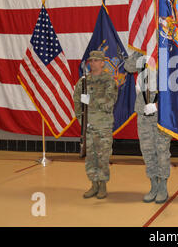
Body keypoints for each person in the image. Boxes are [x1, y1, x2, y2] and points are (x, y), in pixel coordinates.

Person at [124, 51, 172, 204]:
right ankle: (154, 185)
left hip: (162, 113)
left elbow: (175, 90)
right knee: (147, 150)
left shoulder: (169, 52)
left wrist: (159, 105)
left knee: (162, 150)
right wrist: (139, 52)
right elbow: (128, 66)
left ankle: (163, 185)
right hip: (143, 111)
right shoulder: (143, 52)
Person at [73, 50, 118, 199]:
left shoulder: (109, 81)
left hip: (103, 125)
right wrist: (81, 120)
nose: (93, 63)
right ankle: (93, 184)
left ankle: (103, 185)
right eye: (91, 61)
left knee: (103, 156)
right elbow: (77, 102)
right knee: (90, 157)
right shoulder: (83, 81)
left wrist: (91, 100)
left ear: (102, 62)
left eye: (96, 60)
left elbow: (109, 103)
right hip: (88, 125)